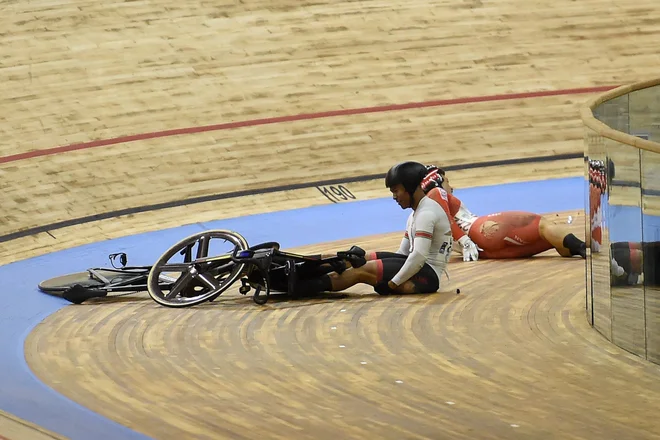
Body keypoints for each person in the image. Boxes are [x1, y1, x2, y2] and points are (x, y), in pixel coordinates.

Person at [295, 161, 455, 296]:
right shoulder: (416, 213)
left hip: (427, 276)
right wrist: (362, 261)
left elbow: (418, 257)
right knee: (355, 259)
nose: (394, 197)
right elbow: (403, 254)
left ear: (410, 188)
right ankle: (299, 269)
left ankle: (298, 289)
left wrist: (392, 283)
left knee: (359, 271)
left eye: (396, 191)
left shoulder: (426, 213)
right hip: (418, 267)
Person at [416, 165, 587, 260]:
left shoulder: (419, 214)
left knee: (551, 241)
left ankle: (581, 249)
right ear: (437, 182)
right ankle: (585, 248)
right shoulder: (436, 193)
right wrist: (465, 240)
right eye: (447, 181)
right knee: (541, 225)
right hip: (481, 229)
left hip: (485, 251)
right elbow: (447, 218)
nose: (451, 187)